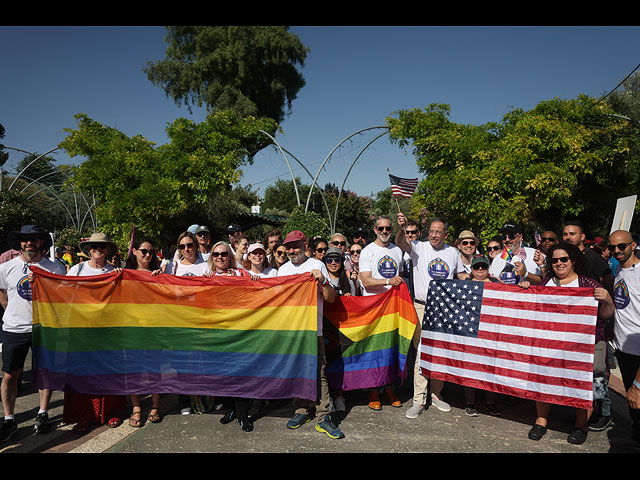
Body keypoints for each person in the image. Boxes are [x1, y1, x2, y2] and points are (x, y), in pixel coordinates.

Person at [523, 241, 614, 445]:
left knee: (580, 382)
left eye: (564, 259)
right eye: (554, 260)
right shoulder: (547, 284)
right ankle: (541, 420)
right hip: (550, 343)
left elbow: (605, 315)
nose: (559, 263)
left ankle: (581, 425)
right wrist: (527, 287)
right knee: (544, 378)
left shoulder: (588, 284)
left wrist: (607, 299)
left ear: (573, 261)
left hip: (582, 344)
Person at [0, 225, 65, 442]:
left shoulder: (55, 269)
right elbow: (3, 295)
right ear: (20, 242)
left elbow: (61, 298)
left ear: (41, 243)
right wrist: (14, 313)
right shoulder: (6, 267)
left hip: (44, 328)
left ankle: (43, 413)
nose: (29, 243)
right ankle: (9, 418)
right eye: (25, 240)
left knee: (44, 373)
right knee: (10, 375)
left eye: (34, 239)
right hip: (14, 329)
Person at [396, 213, 465, 419]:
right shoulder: (418, 247)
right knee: (421, 353)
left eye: (438, 232)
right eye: (432, 231)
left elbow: (461, 276)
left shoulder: (453, 252)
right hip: (421, 307)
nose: (434, 235)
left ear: (445, 234)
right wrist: (402, 228)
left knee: (440, 354)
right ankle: (419, 398)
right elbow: (401, 242)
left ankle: (435, 394)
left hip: (444, 310)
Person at [276, 230, 343, 439]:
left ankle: (324, 415)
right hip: (291, 330)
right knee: (296, 370)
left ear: (305, 245)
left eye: (295, 245)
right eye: (288, 246)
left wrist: (322, 281)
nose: (291, 250)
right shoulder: (283, 270)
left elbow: (331, 298)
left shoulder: (317, 265)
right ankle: (301, 410)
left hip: (314, 329)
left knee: (319, 372)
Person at [63, 232, 128, 433]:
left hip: (107, 331)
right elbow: (61, 292)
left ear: (108, 249)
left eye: (101, 246)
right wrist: (37, 280)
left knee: (108, 371)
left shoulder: (114, 271)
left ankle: (110, 412)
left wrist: (120, 278)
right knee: (83, 373)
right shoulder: (77, 270)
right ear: (88, 250)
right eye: (93, 246)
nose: (97, 249)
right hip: (82, 330)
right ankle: (83, 415)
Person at [359, 216, 404, 411]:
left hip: (393, 307)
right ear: (375, 230)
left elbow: (400, 279)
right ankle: (373, 391)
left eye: (388, 228)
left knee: (391, 349)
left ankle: (388, 388)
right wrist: (387, 282)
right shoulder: (367, 251)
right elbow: (366, 281)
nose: (385, 231)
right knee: (374, 351)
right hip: (374, 306)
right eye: (381, 228)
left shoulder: (396, 250)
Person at [208, 241, 254, 432]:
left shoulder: (242, 274)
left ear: (230, 256)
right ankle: (230, 410)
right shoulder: (208, 277)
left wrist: (257, 281)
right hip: (218, 333)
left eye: (224, 254)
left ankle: (243, 415)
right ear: (212, 257)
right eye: (216, 254)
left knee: (241, 372)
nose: (220, 257)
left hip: (240, 331)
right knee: (223, 374)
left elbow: (256, 292)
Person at [166, 231, 211, 414]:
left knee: (202, 362)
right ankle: (184, 400)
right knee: (182, 363)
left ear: (195, 245)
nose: (186, 249)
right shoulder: (172, 267)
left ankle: (205, 400)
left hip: (201, 320)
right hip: (180, 321)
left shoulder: (205, 266)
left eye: (189, 245)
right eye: (182, 246)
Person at [124, 236, 163, 427]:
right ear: (135, 252)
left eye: (151, 251)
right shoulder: (124, 274)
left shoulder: (159, 274)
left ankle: (155, 406)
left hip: (154, 329)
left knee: (155, 369)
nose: (148, 254)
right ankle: (136, 407)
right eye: (144, 251)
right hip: (132, 330)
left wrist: (161, 280)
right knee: (133, 370)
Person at [608, 230, 640, 444]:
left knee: (636, 396)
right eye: (612, 248)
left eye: (622, 246)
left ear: (633, 245)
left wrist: (639, 383)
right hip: (623, 349)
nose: (616, 251)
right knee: (634, 406)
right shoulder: (618, 269)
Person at [463, 254, 502, 417]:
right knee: (470, 366)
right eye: (477, 267)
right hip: (470, 330)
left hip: (491, 331)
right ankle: (470, 402)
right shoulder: (464, 284)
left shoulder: (497, 284)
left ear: (488, 268)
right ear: (471, 269)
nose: (480, 270)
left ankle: (490, 403)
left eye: (483, 267)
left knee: (490, 367)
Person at [322, 246, 357, 412]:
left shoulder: (347, 281)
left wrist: (349, 299)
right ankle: (328, 398)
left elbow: (356, 305)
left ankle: (340, 396)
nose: (333, 263)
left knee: (340, 364)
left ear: (342, 262)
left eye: (337, 260)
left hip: (342, 330)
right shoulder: (321, 280)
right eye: (329, 260)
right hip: (325, 328)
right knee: (326, 364)